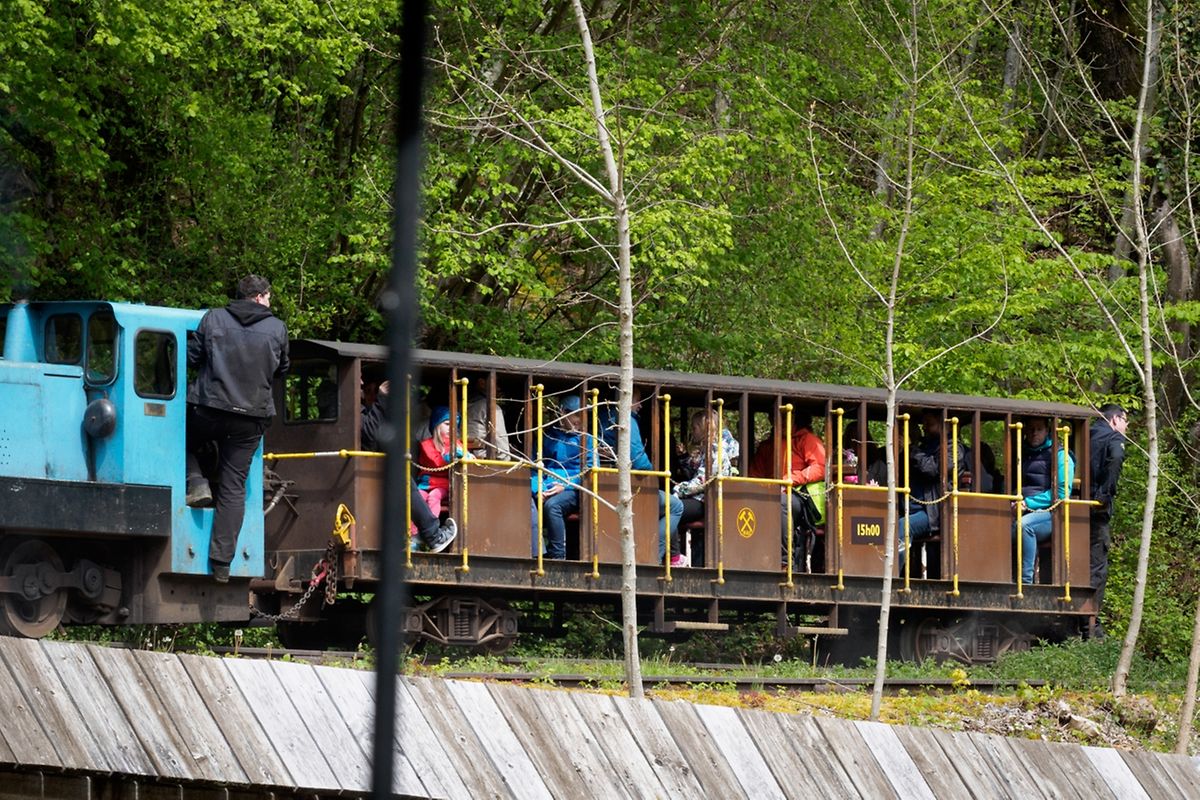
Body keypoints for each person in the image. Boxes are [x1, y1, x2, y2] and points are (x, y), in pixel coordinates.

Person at [185, 275, 289, 583]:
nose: (270, 303)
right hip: (250, 419)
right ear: (258, 297)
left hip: (209, 409)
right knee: (233, 487)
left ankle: (196, 480)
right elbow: (282, 369)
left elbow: (192, 357)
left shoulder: (213, 318)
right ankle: (221, 563)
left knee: (180, 440)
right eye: (269, 297)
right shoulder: (277, 328)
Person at [359, 380, 457, 553]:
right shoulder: (361, 408)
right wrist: (381, 400)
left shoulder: (371, 409)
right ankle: (432, 536)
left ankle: (424, 536)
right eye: (367, 390)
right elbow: (370, 437)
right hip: (372, 467)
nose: (360, 382)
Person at [597, 392, 684, 563]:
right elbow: (637, 458)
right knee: (675, 507)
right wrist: (651, 474)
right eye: (638, 401)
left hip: (606, 484)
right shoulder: (626, 420)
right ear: (627, 399)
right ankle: (653, 554)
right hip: (627, 487)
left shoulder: (602, 417)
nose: (640, 406)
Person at [748, 414, 826, 569]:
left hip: (798, 496)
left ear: (794, 419)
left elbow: (820, 468)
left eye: (784, 418)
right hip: (769, 495)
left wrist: (792, 478)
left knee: (783, 503)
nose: (780, 422)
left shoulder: (807, 439)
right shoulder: (766, 446)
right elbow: (754, 475)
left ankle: (784, 561)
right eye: (776, 418)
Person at [897, 411, 966, 575]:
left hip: (933, 512)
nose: (925, 428)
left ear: (946, 425)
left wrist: (910, 449)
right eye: (924, 424)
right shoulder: (923, 447)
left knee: (902, 527)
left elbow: (933, 469)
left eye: (930, 423)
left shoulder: (954, 449)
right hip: (910, 507)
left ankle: (892, 576)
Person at [530, 395, 598, 559]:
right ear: (562, 413)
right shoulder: (548, 436)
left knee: (553, 506)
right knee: (527, 502)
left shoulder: (588, 440)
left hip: (575, 490)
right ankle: (534, 553)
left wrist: (566, 485)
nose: (579, 421)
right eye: (575, 415)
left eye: (583, 416)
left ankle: (557, 556)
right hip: (547, 486)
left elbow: (591, 470)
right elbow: (534, 466)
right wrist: (538, 489)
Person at [670, 408, 739, 567]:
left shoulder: (716, 450)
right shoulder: (707, 449)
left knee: (670, 507)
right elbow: (697, 469)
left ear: (705, 428)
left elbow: (702, 480)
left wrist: (678, 490)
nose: (692, 432)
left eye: (694, 428)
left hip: (706, 501)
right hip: (702, 497)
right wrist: (683, 457)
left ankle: (675, 557)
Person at [1012, 417, 1075, 585]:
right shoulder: (1021, 453)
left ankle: (1025, 582)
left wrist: (1028, 503)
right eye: (1031, 428)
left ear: (1047, 431)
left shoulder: (1061, 455)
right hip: (1020, 507)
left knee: (1024, 526)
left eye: (1039, 429)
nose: (1034, 433)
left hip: (1052, 513)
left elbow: (1062, 493)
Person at [1089, 404, 1128, 637]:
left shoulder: (1082, 434)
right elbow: (1116, 458)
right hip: (1096, 511)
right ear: (1114, 419)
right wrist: (1105, 494)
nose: (1126, 427)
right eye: (1125, 421)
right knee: (1097, 565)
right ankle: (1091, 622)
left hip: (1073, 508)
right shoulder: (1112, 437)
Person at [416, 406, 467, 520]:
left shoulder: (456, 443)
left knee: (434, 496)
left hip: (444, 484)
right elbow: (436, 462)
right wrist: (450, 456)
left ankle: (432, 529)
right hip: (426, 483)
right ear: (437, 425)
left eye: (455, 426)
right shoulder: (427, 444)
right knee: (417, 499)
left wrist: (467, 456)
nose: (451, 428)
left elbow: (465, 454)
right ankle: (413, 532)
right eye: (447, 424)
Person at [466, 376, 514, 460]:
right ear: (482, 383)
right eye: (497, 384)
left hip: (465, 458)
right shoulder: (491, 407)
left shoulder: (460, 406)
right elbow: (502, 447)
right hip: (485, 462)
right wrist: (506, 461)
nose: (499, 389)